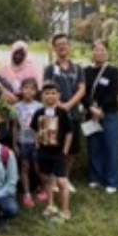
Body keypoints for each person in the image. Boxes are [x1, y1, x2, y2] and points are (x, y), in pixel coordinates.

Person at [43, 33, 86, 181]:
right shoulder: (50, 68)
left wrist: (68, 105)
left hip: (73, 114)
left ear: (69, 46)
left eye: (64, 44)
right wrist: (59, 105)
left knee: (72, 149)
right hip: (54, 115)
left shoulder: (78, 69)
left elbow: (82, 89)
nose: (62, 46)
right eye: (58, 44)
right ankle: (53, 179)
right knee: (53, 147)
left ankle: (65, 177)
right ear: (54, 48)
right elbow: (46, 90)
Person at [82, 40, 118, 194]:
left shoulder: (113, 71)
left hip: (109, 114)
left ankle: (112, 181)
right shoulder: (85, 71)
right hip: (90, 114)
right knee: (94, 146)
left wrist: (101, 109)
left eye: (102, 50)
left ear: (107, 53)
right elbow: (83, 93)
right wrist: (91, 108)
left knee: (111, 147)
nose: (99, 52)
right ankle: (95, 178)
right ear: (92, 53)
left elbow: (114, 93)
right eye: (96, 50)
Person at [32, 82, 75, 222]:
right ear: (41, 96)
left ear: (58, 95)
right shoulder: (38, 113)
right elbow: (34, 129)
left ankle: (65, 209)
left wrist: (65, 150)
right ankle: (50, 205)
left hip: (59, 153)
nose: (50, 96)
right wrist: (37, 144)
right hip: (43, 152)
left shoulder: (63, 113)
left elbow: (69, 132)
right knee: (47, 180)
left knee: (62, 181)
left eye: (53, 93)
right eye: (46, 93)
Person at [14, 78, 44, 208]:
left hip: (36, 142)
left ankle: (43, 188)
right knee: (24, 167)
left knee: (38, 167)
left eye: (32, 88)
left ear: (36, 91)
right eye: (25, 88)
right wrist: (14, 144)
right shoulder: (16, 106)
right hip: (23, 142)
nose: (28, 91)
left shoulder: (40, 106)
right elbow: (14, 127)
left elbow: (43, 126)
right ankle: (26, 193)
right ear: (21, 90)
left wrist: (41, 142)